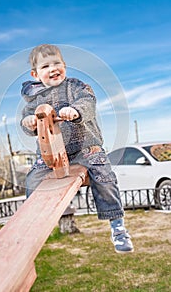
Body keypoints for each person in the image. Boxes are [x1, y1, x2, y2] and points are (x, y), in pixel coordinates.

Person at [20, 44, 134, 253]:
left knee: (104, 176)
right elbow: (27, 119)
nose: (53, 68)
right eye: (46, 66)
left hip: (85, 147)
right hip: (51, 153)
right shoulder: (34, 99)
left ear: (64, 66)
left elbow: (88, 101)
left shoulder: (76, 87)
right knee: (32, 179)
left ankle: (117, 227)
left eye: (57, 63)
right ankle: (31, 225)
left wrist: (75, 110)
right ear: (35, 74)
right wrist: (28, 122)